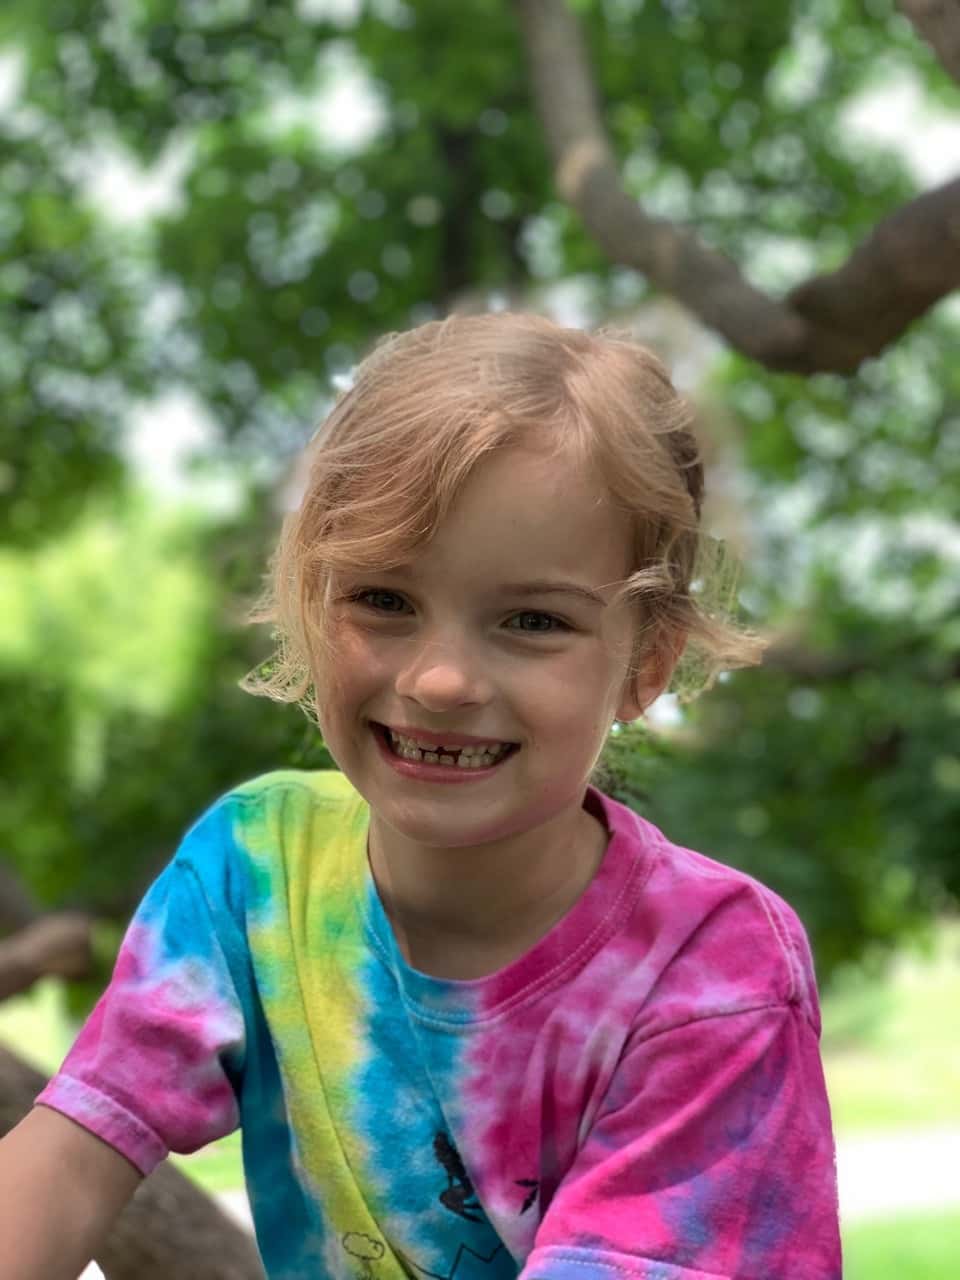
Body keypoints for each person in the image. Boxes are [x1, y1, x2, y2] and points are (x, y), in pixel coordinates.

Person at [0, 314, 841, 1279]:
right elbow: (68, 1161)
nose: (440, 680)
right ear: (310, 607)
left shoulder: (711, 971)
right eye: (383, 600)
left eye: (533, 621)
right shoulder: (257, 868)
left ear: (647, 662)